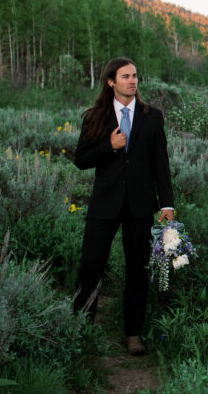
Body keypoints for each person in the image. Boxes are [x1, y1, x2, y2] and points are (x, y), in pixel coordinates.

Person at [72, 57, 175, 356]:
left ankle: (133, 334)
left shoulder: (152, 117)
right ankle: (80, 329)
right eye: (125, 76)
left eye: (135, 76)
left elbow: (161, 164)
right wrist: (109, 147)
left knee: (137, 269)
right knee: (91, 266)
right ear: (111, 82)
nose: (132, 81)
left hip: (140, 207)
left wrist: (166, 204)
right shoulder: (95, 117)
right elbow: (81, 159)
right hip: (105, 204)